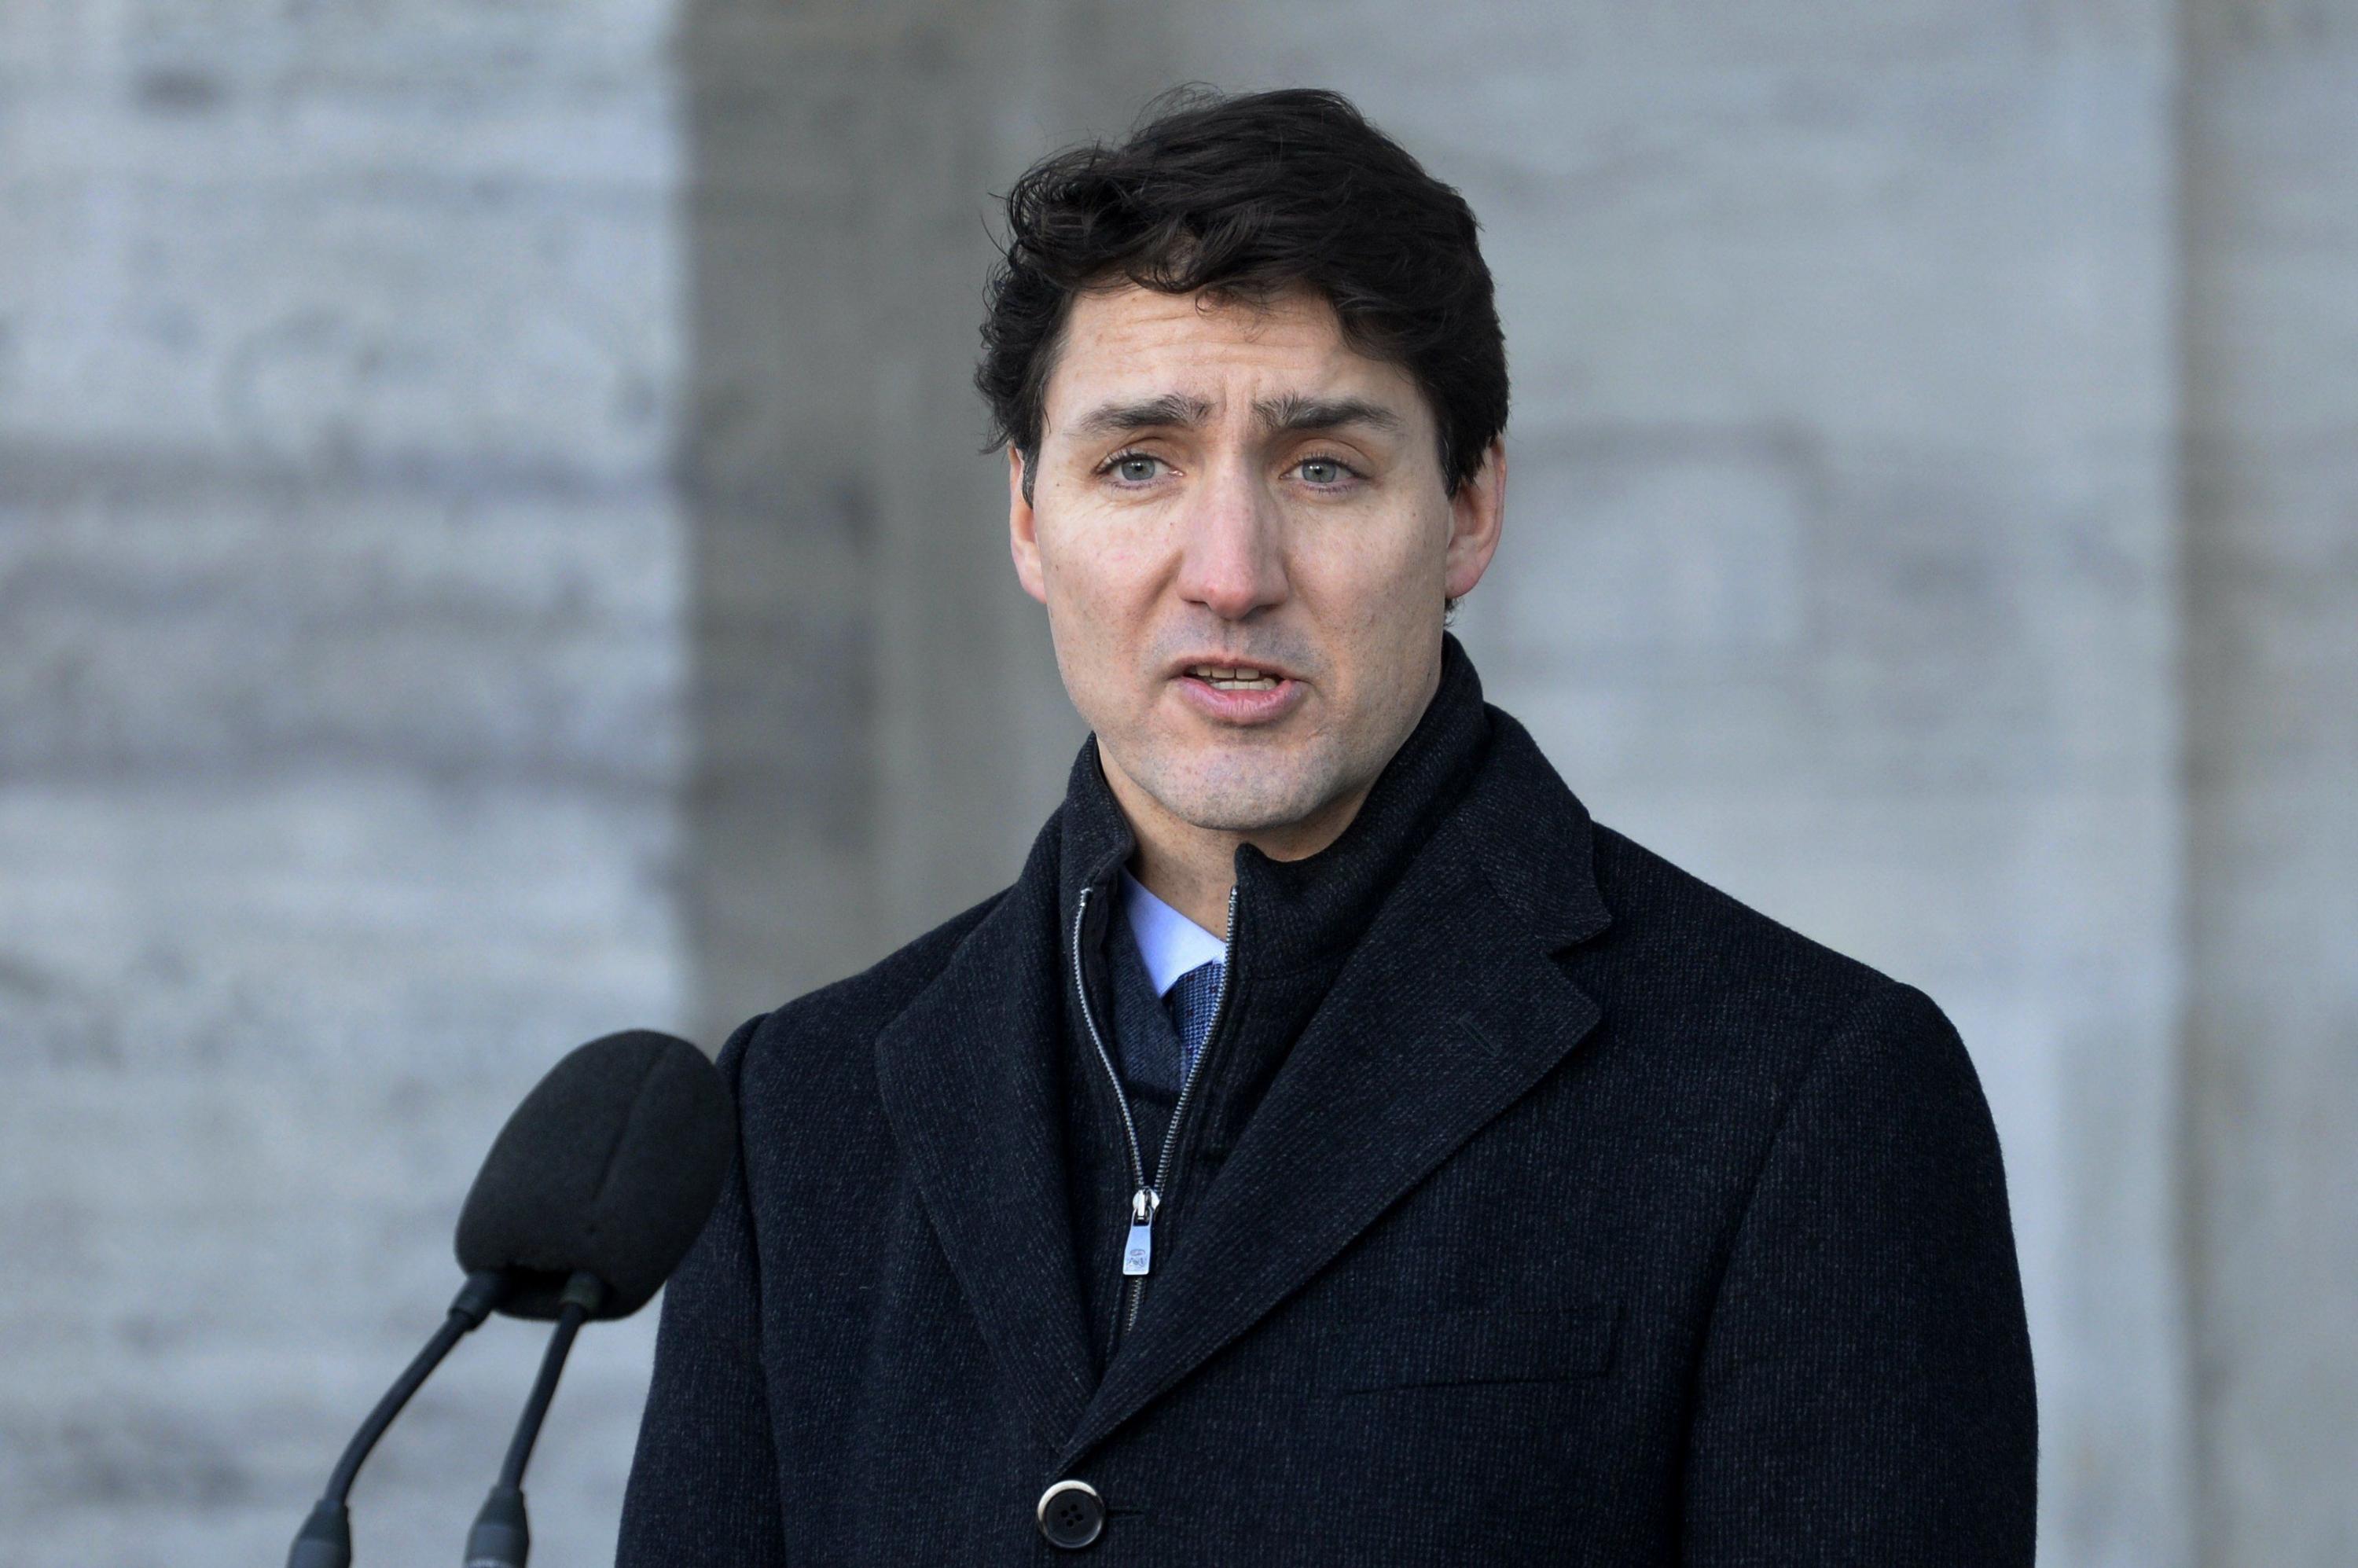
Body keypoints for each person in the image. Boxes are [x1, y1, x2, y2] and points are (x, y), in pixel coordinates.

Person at [617, 86, 2037, 1564]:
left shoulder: (1807, 1095)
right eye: (1139, 462)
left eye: (1323, 468)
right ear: (1030, 519)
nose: (1230, 572)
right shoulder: (799, 1115)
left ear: (1469, 513)